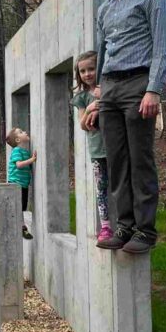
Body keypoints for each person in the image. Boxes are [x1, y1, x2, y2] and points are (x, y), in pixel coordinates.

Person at [86, 0, 166, 254]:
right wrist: (98, 96)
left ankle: (145, 231)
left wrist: (153, 89)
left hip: (139, 84)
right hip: (109, 89)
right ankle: (123, 226)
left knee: (140, 160)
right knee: (116, 161)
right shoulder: (105, 8)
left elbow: (163, 47)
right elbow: (104, 51)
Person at [72, 51, 112, 244]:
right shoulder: (81, 97)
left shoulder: (109, 88)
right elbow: (82, 124)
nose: (87, 74)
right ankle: (105, 226)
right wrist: (89, 108)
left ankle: (124, 223)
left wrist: (103, 97)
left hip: (115, 146)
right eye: (82, 71)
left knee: (119, 186)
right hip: (97, 151)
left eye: (91, 69)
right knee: (101, 188)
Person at [6, 127, 36, 239]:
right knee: (19, 207)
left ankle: (21, 227)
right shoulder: (17, 151)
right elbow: (18, 165)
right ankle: (22, 227)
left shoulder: (25, 151)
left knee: (22, 208)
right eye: (21, 132)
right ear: (18, 140)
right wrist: (32, 160)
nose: (25, 132)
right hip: (16, 184)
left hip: (23, 184)